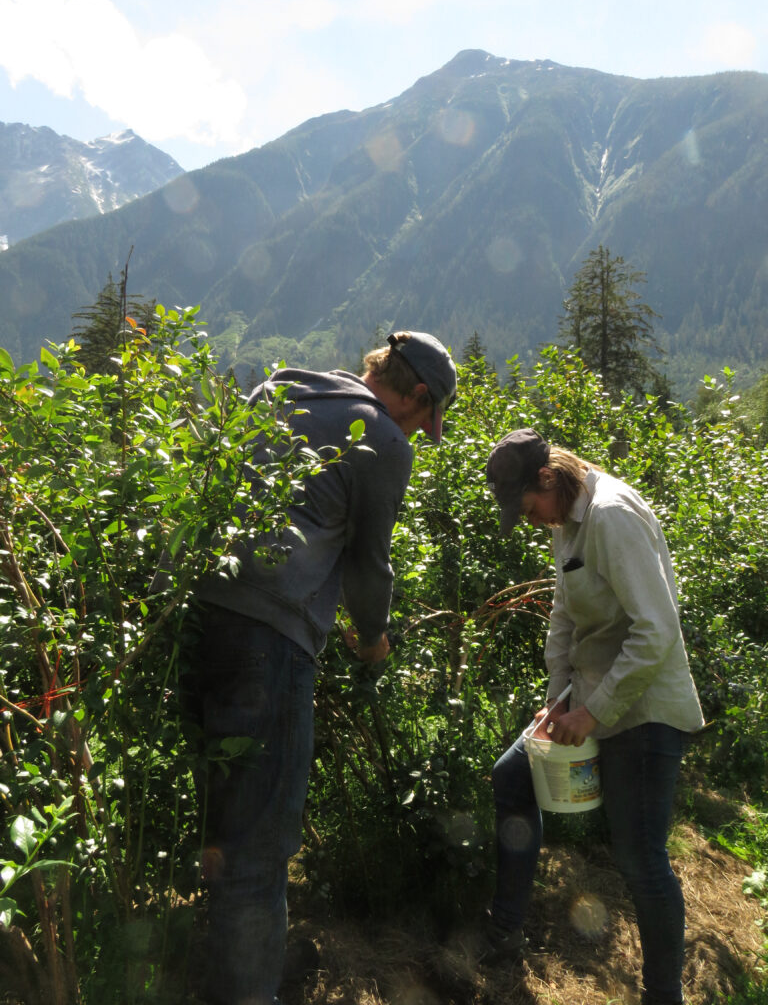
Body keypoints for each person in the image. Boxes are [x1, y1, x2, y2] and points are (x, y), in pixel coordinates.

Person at [185, 331, 457, 1005]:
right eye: (429, 419)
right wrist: (372, 640)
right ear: (418, 395)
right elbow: (369, 566)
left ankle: (211, 978)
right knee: (262, 848)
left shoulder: (285, 385)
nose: (423, 434)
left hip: (199, 623)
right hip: (269, 645)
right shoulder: (384, 441)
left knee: (223, 828)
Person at [484, 428, 704, 1005]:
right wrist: (558, 702)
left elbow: (657, 629)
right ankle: (504, 935)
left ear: (548, 479)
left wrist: (593, 711)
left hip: (644, 710)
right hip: (589, 702)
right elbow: (564, 617)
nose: (528, 519)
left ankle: (663, 995)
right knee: (511, 776)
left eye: (527, 506)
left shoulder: (611, 517)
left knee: (639, 858)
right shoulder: (567, 522)